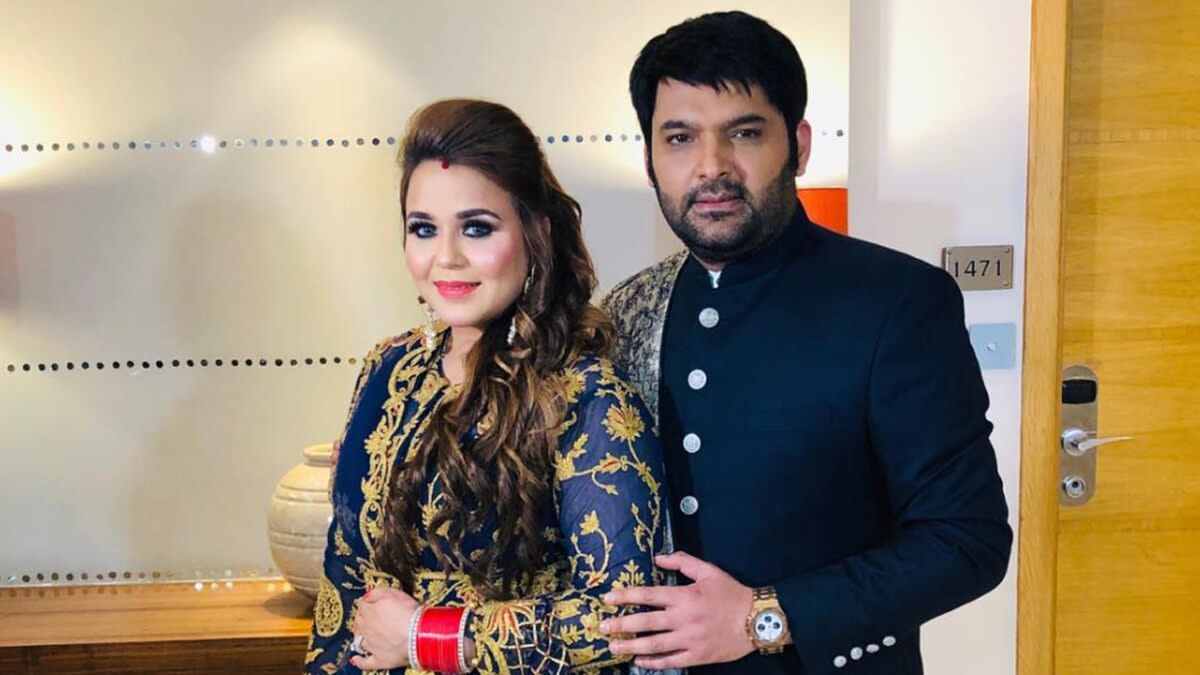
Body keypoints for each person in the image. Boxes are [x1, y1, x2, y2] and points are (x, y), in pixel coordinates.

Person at [597, 11, 1013, 675]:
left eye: (745, 133)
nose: (711, 167)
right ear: (649, 159)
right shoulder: (625, 309)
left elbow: (967, 540)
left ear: (798, 144)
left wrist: (765, 615)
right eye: (679, 138)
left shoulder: (896, 301)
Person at [306, 99, 668, 675]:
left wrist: (427, 637)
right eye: (424, 229)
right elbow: (343, 574)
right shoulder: (388, 368)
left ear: (536, 232)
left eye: (476, 228)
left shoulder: (586, 396)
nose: (446, 258)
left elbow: (621, 617)